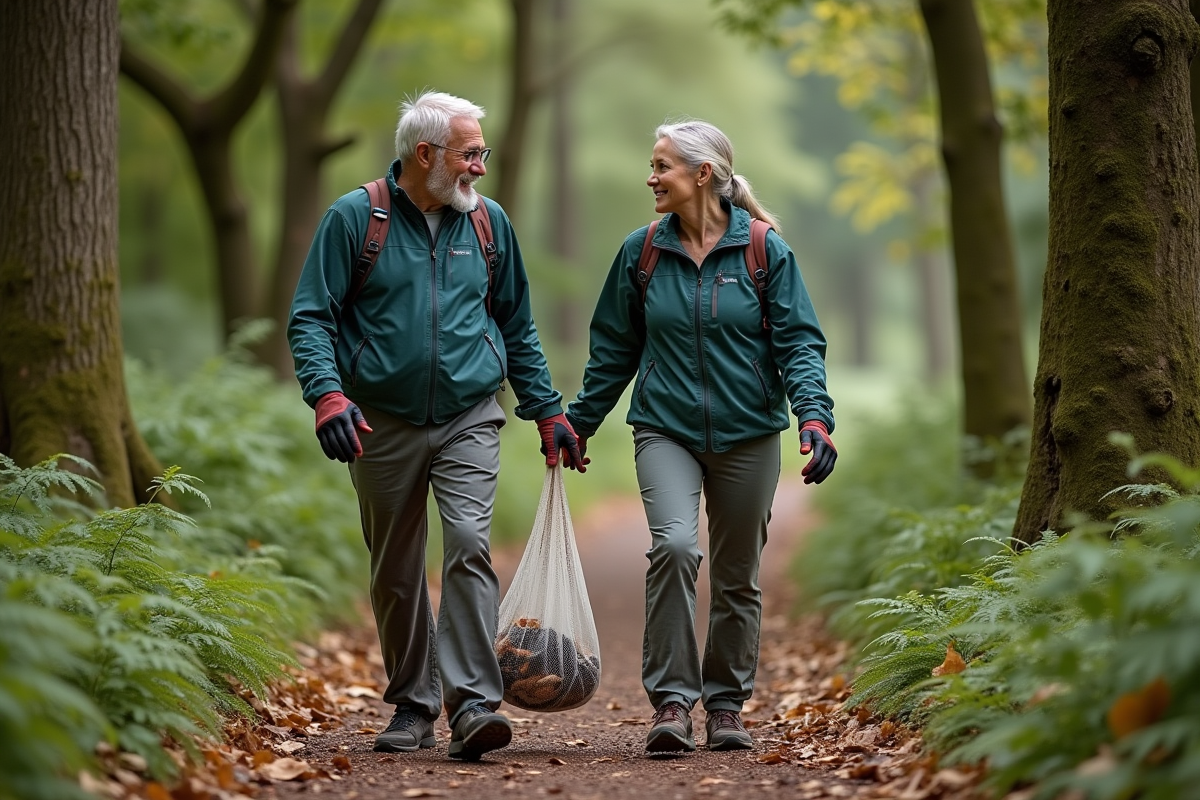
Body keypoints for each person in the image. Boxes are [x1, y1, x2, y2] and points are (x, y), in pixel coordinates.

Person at [287, 90, 584, 762]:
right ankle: (412, 705)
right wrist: (328, 395)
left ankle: (474, 704)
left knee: (470, 544)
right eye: (470, 153)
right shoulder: (355, 219)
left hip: (469, 414)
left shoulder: (487, 224)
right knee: (395, 567)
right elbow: (311, 317)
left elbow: (515, 323)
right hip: (379, 421)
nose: (481, 166)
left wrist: (547, 408)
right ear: (428, 155)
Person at [565, 119, 837, 754]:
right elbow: (613, 350)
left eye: (662, 166)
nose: (651, 177)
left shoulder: (764, 251)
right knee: (676, 548)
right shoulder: (642, 251)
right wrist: (577, 423)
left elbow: (799, 343)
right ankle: (670, 703)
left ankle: (725, 706)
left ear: (702, 175)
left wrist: (815, 418)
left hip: (749, 434)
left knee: (738, 574)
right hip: (665, 428)